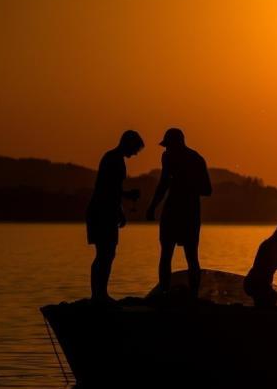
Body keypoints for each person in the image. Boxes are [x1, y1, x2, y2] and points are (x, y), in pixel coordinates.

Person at [146, 128, 212, 300]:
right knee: (166, 254)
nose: (167, 149)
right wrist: (152, 207)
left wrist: (186, 184)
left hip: (189, 212)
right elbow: (163, 183)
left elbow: (207, 189)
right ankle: (164, 293)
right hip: (172, 211)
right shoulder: (167, 157)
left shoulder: (196, 159)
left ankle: (193, 296)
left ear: (179, 143)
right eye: (166, 146)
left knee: (191, 256)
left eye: (169, 145)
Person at [86, 130, 144, 303]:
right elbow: (109, 189)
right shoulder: (114, 160)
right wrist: (125, 199)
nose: (135, 154)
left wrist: (120, 208)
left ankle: (100, 294)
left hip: (106, 211)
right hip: (101, 212)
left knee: (107, 253)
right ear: (128, 143)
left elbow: (112, 189)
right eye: (135, 149)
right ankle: (99, 295)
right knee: (105, 253)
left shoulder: (114, 158)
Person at [244, 220, 277, 308]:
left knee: (271, 297)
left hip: (264, 284)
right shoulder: (269, 245)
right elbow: (267, 267)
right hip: (254, 282)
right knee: (271, 297)